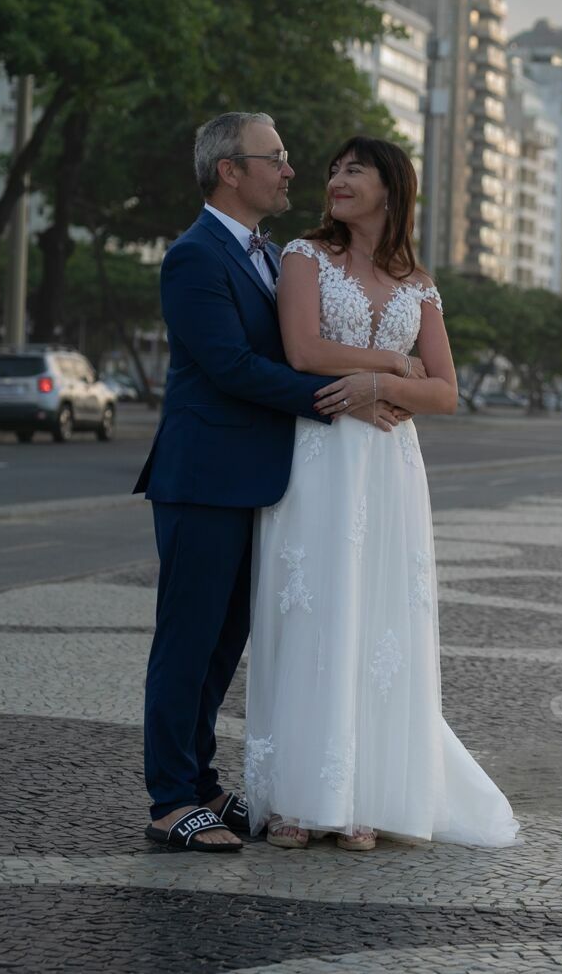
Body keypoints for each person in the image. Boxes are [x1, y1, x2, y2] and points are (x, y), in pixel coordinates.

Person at [246, 135, 520, 852]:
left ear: (392, 189)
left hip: (390, 465)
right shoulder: (305, 256)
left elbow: (447, 391)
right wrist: (391, 366)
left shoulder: (419, 282)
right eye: (333, 168)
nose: (335, 179)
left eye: (353, 170)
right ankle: (301, 798)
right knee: (315, 611)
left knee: (378, 622)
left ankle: (365, 790)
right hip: (322, 454)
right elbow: (303, 350)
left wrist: (381, 387)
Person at [135, 112, 395, 854]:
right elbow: (230, 368)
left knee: (223, 645)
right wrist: (344, 392)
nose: (290, 171)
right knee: (186, 643)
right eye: (275, 159)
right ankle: (169, 799)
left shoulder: (271, 254)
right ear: (230, 170)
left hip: (262, 482)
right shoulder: (194, 257)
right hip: (203, 476)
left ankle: (205, 782)